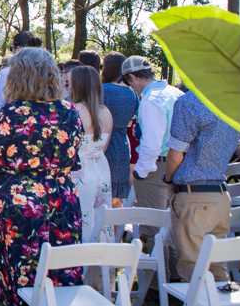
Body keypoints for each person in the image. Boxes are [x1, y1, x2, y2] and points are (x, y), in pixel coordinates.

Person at [0, 48, 85, 306]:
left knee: (10, 268)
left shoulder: (11, 114)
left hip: (15, 202)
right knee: (57, 267)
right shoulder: (69, 112)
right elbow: (74, 158)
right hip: (60, 201)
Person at [164, 85, 239, 306]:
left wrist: (168, 177)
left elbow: (175, 153)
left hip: (194, 194)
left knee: (193, 270)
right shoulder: (232, 100)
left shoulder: (191, 102)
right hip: (220, 193)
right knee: (218, 269)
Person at [122, 55, 179, 209]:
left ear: (132, 77)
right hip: (180, 165)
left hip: (156, 168)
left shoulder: (151, 100)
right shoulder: (175, 93)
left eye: (128, 83)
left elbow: (152, 143)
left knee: (152, 227)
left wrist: (141, 171)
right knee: (172, 226)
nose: (130, 87)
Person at [69, 63, 114, 242]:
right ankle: (99, 264)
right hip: (101, 169)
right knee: (100, 219)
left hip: (79, 172)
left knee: (81, 218)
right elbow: (103, 146)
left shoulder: (73, 111)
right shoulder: (106, 113)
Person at [101, 52, 138, 202]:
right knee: (117, 200)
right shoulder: (132, 94)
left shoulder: (101, 90)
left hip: (103, 144)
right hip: (122, 146)